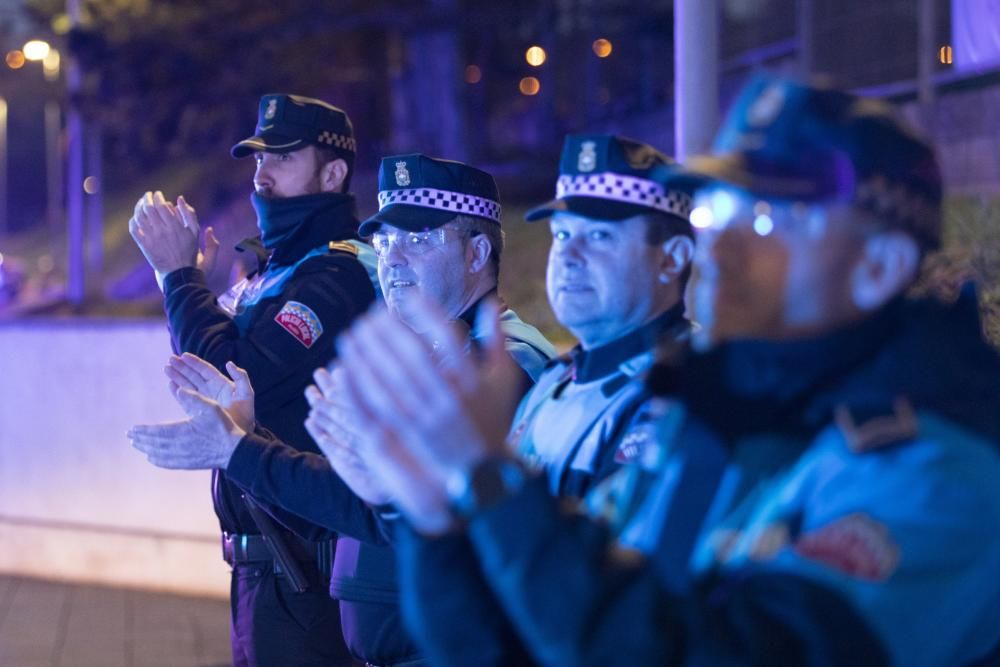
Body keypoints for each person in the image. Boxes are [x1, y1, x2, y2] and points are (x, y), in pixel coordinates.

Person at [323, 75, 1000, 666]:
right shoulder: (711, 420)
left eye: (764, 219)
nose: (720, 247)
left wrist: (490, 479)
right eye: (717, 212)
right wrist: (430, 513)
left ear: (877, 266)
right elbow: (509, 641)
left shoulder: (942, 469)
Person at [130, 154, 557, 666]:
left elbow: (440, 528)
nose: (393, 259)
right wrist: (246, 438)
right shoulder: (431, 363)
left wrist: (241, 451)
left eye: (417, 240)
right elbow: (353, 517)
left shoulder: (505, 368)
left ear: (477, 252)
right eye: (385, 241)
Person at [319, 135, 703, 665]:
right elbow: (484, 577)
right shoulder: (556, 384)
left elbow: (620, 617)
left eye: (599, 236)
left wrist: (481, 477)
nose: (568, 255)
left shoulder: (698, 397)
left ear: (673, 258)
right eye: (563, 233)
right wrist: (405, 507)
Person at [128, 94, 371, 666]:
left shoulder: (336, 273)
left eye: (282, 157)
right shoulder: (279, 271)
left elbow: (229, 374)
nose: (261, 173)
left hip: (304, 569)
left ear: (332, 172)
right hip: (263, 570)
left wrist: (178, 275)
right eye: (258, 157)